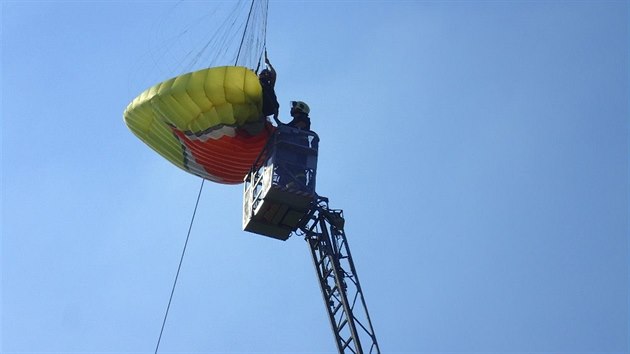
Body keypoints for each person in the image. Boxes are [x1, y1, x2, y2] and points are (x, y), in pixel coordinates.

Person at [259, 52, 279, 120]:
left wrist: (268, 64)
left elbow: (274, 75)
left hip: (269, 107)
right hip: (264, 109)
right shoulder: (257, 84)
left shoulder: (269, 86)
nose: (262, 75)